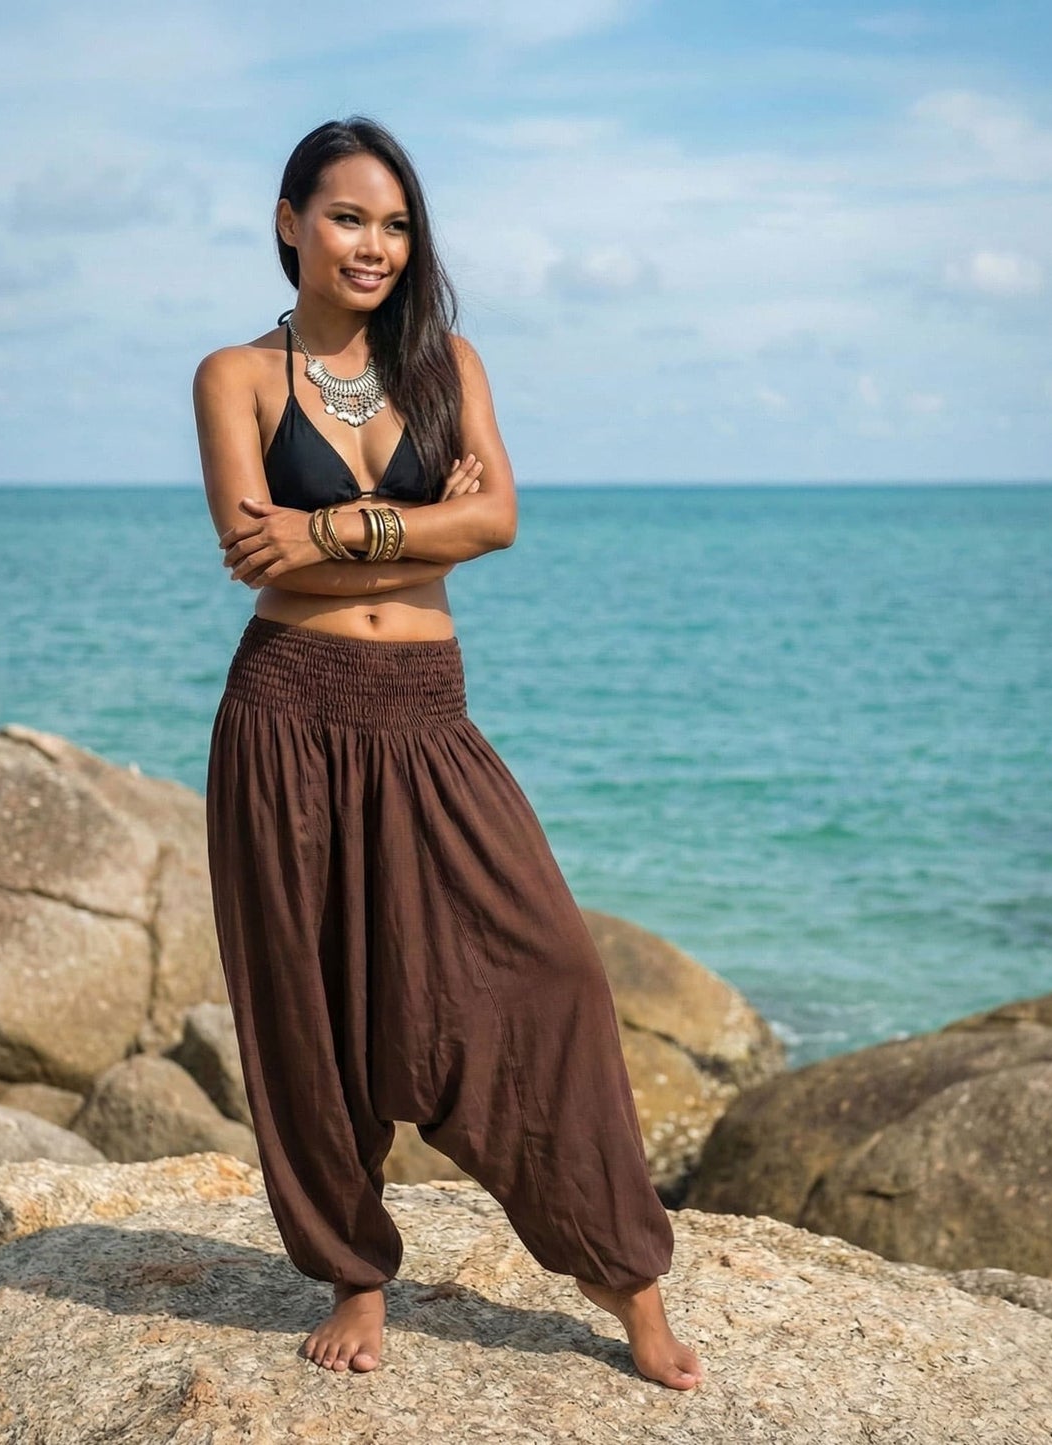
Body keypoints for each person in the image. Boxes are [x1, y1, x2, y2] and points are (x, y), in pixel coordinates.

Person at [193, 115, 704, 1392]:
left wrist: (339, 527)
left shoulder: (444, 360)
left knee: (552, 971)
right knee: (311, 1006)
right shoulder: (234, 377)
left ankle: (623, 1274)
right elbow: (251, 547)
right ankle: (355, 1270)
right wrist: (426, 523)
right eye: (349, 217)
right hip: (286, 712)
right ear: (288, 223)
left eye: (396, 223)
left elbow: (501, 519)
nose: (374, 244)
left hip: (425, 707)